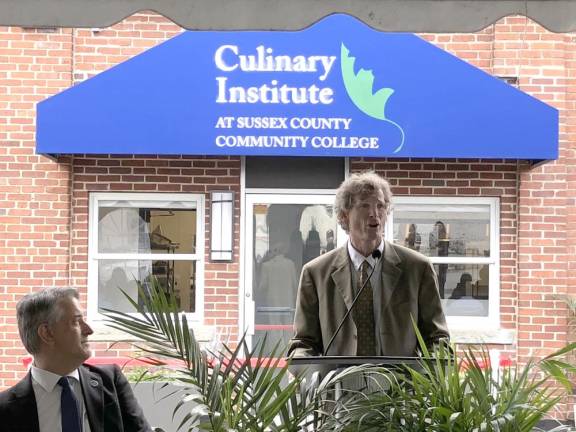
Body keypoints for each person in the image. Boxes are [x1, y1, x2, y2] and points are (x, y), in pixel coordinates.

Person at [288, 171, 449, 357]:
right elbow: (302, 344)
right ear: (344, 215)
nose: (375, 214)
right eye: (364, 206)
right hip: (339, 384)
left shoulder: (417, 268)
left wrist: (427, 375)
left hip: (400, 384)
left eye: (380, 206)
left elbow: (438, 340)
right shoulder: (315, 273)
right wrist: (310, 370)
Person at [0, 287, 152, 432]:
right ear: (47, 333)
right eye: (76, 321)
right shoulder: (5, 409)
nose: (89, 330)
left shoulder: (110, 381)